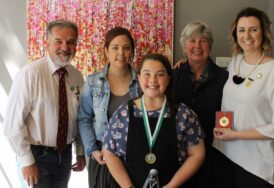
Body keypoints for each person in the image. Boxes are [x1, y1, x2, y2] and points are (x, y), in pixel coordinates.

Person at [212, 7, 274, 188]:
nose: (247, 35)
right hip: (227, 153)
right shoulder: (235, 62)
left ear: (264, 33)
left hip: (257, 165)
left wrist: (236, 134)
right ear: (235, 34)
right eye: (242, 30)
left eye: (254, 29)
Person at [3, 19, 86, 188]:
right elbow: (12, 123)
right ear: (47, 43)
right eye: (59, 41)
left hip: (65, 155)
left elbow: (80, 117)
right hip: (38, 157)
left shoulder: (76, 76)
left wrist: (80, 151)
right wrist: (27, 161)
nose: (65, 47)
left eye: (71, 42)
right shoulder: (30, 74)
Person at [102, 54, 205, 187]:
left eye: (160, 74)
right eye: (147, 74)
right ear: (138, 78)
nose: (153, 80)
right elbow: (109, 152)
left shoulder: (184, 115)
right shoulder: (123, 113)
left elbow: (197, 154)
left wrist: (171, 186)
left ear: (168, 79)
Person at [78, 27, 140, 188]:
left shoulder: (142, 82)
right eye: (115, 48)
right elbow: (84, 119)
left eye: (126, 48)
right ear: (106, 51)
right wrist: (92, 150)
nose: (121, 53)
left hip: (134, 154)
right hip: (102, 155)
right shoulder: (92, 82)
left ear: (132, 52)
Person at [173, 21, 228, 188]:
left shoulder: (223, 78)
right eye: (192, 40)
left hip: (212, 155)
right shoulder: (172, 76)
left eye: (203, 41)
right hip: (178, 156)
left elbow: (225, 115)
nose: (197, 45)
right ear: (184, 46)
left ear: (210, 46)